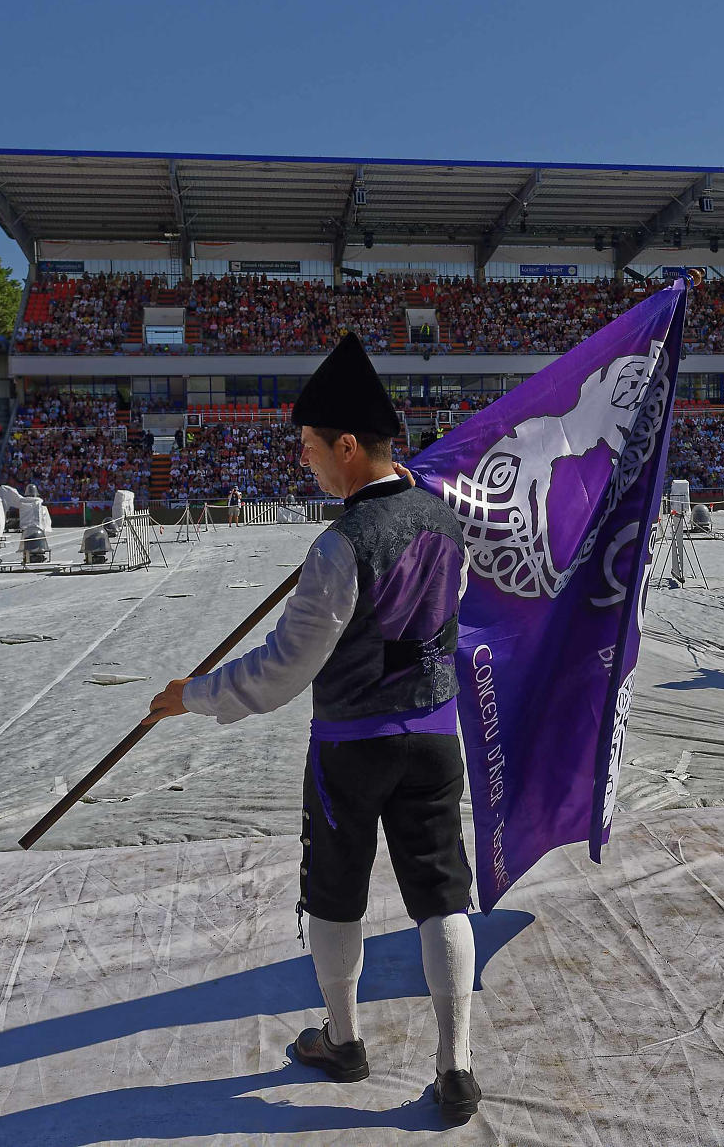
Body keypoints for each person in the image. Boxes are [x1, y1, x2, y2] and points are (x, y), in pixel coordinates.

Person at [143, 331, 482, 1124]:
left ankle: (344, 1039)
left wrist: (193, 696)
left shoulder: (338, 546)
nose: (304, 459)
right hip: (435, 738)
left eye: (309, 446)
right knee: (443, 897)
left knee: (335, 895)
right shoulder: (445, 522)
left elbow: (282, 671)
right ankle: (456, 1067)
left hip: (352, 747)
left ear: (349, 446)